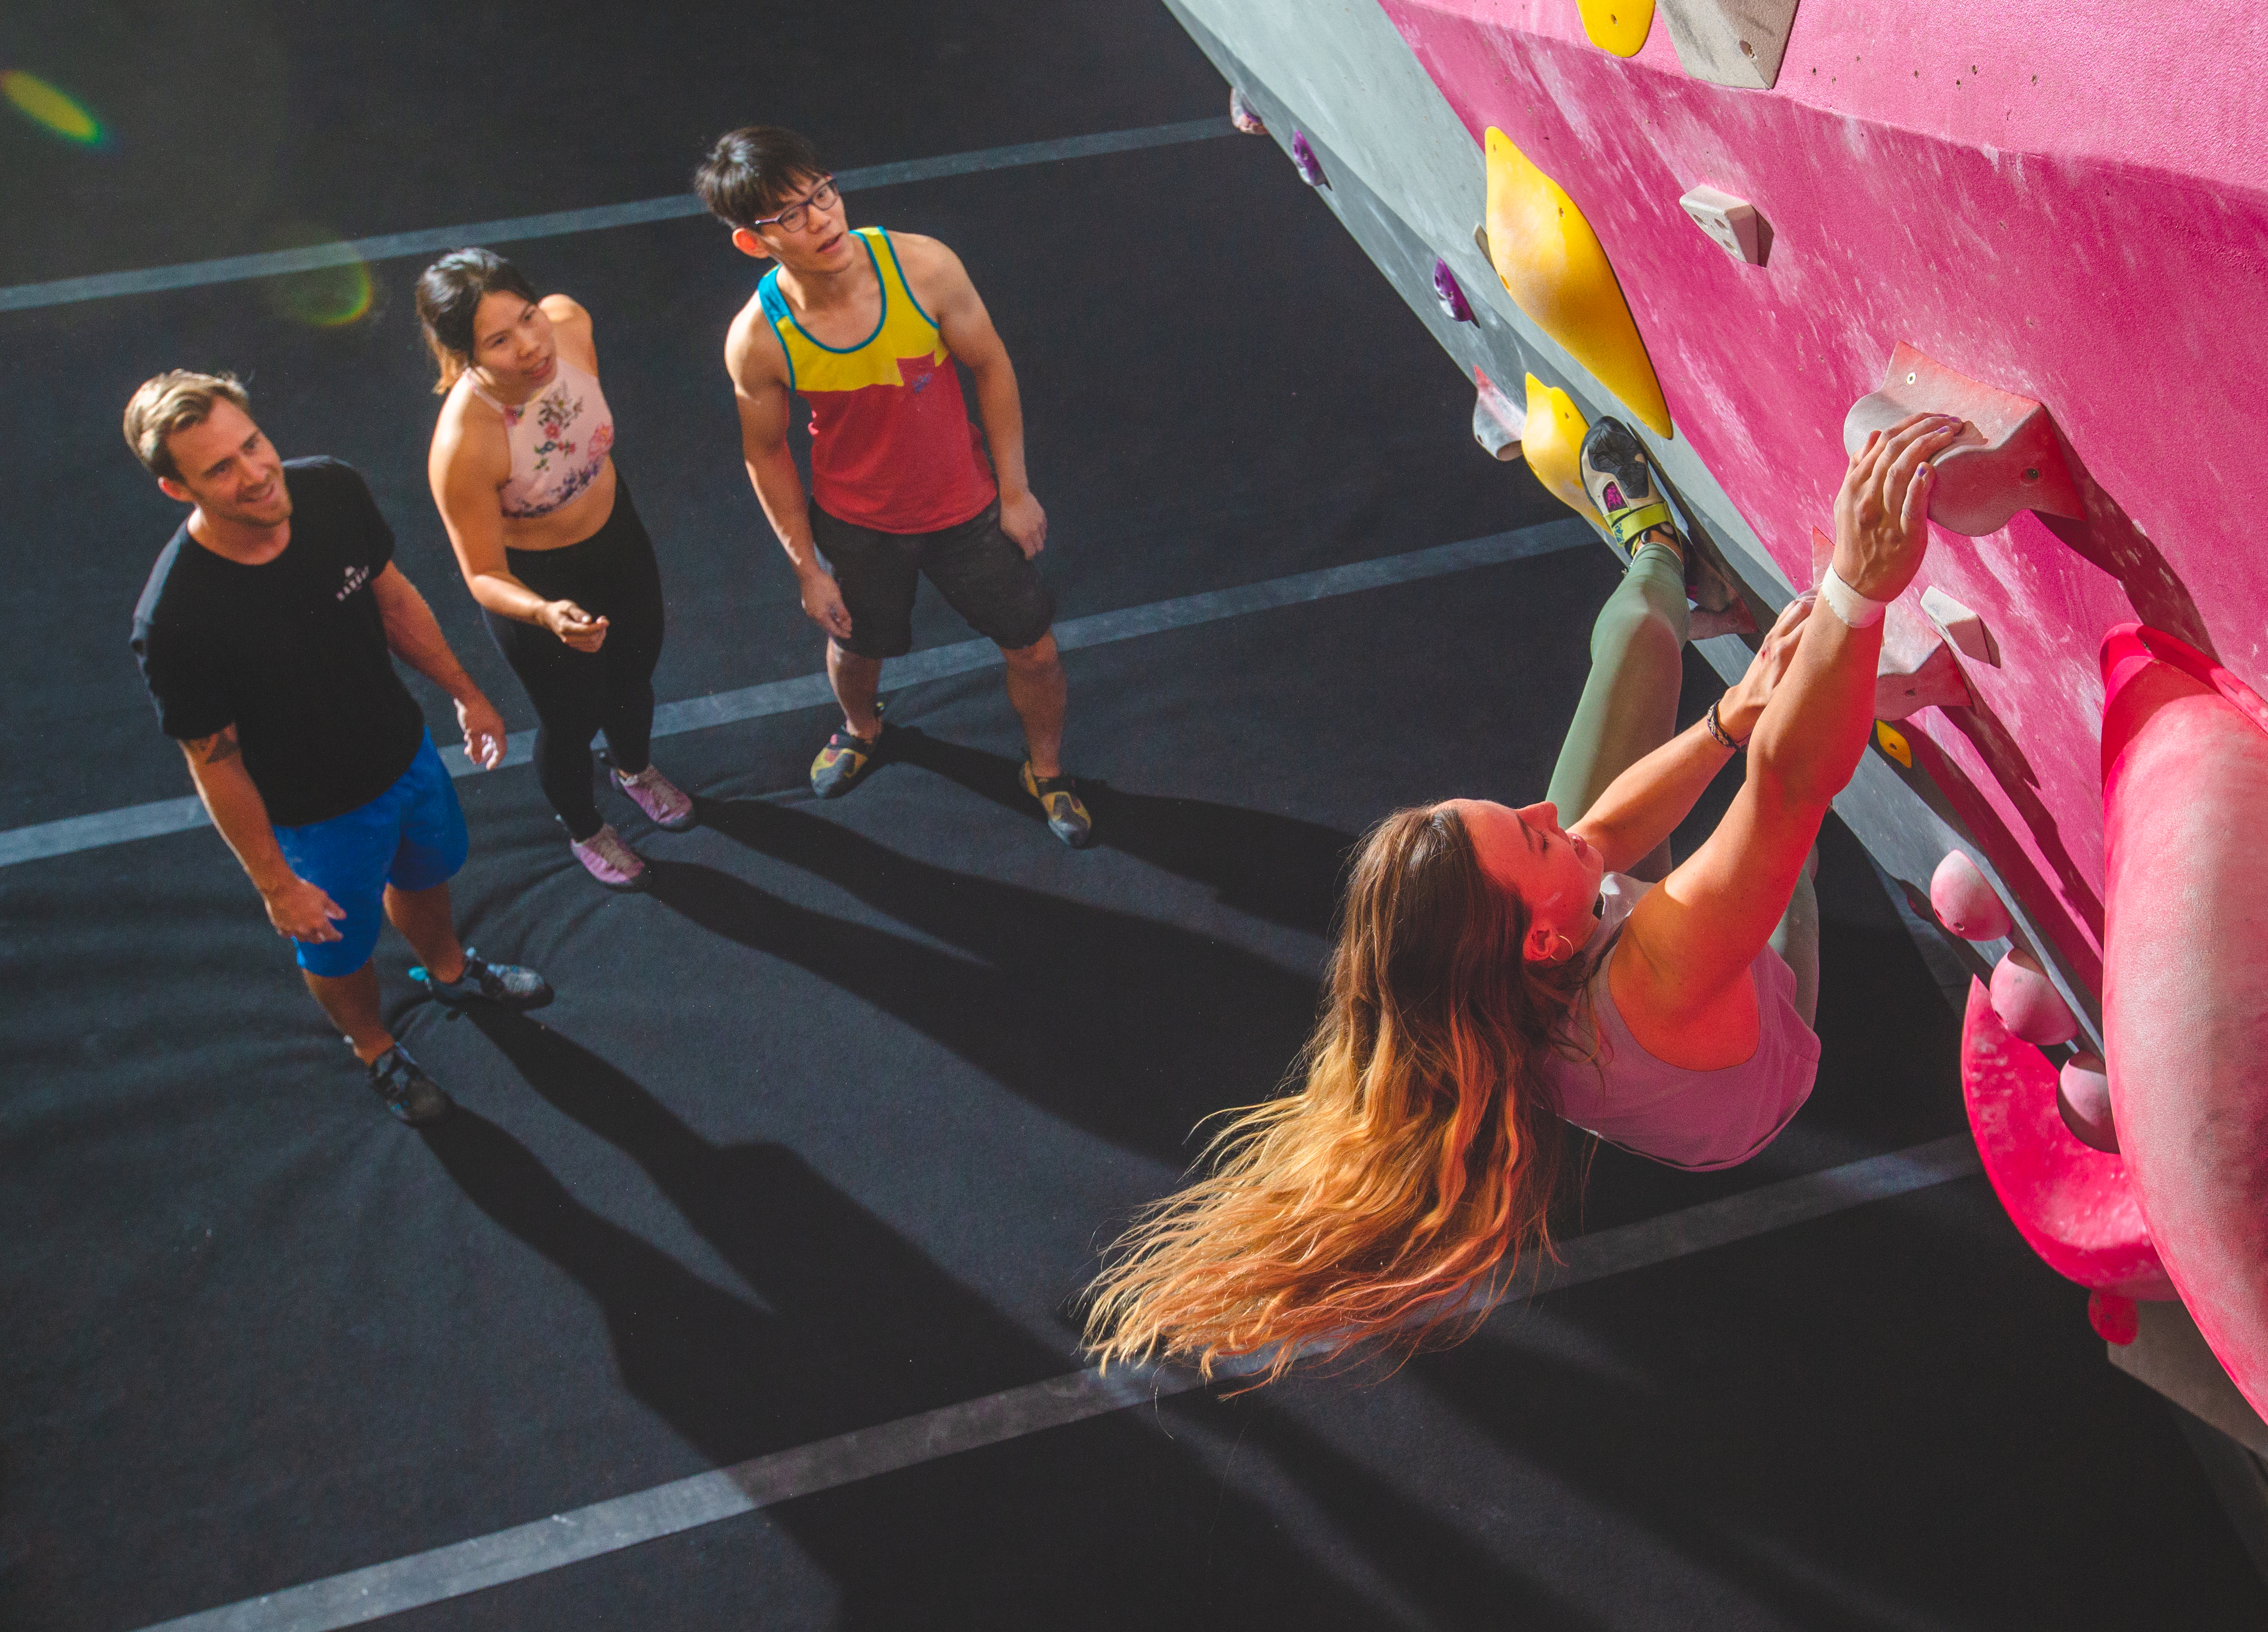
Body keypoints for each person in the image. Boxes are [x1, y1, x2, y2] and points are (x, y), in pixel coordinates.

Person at [1087, 411, 1966, 1382]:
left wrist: (1732, 708)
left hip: (1611, 973)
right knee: (1782, 824)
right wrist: (1856, 587)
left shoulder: (1499, 968)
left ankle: (1664, 566)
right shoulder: (1658, 972)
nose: (1547, 805)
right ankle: (1806, 678)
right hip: (1751, 1049)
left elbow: (1603, 837)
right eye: (1529, 834)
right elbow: (1786, 784)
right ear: (1546, 941)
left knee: (1642, 640)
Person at [125, 371, 554, 1126]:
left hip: (405, 756)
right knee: (337, 950)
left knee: (426, 876)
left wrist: (466, 691)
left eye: (252, 445)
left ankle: (450, 970)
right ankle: (374, 1047)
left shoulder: (329, 489)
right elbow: (213, 760)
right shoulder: (177, 619)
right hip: (312, 818)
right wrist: (274, 884)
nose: (254, 474)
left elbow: (392, 598)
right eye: (219, 469)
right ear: (177, 489)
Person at [695, 124, 1092, 846]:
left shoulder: (924, 267)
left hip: (966, 512)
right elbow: (765, 454)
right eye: (791, 214)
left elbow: (992, 365)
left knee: (1033, 649)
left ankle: (1048, 771)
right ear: (754, 242)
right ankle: (860, 727)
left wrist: (1014, 491)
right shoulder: (758, 338)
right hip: (859, 526)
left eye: (822, 193)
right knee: (855, 650)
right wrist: (806, 569)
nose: (822, 218)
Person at [419, 248, 695, 890]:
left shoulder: (569, 326)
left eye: (528, 317)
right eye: (499, 339)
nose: (530, 346)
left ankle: (633, 770)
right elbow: (481, 572)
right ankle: (584, 827)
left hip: (617, 539)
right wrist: (545, 613)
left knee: (634, 677)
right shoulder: (465, 444)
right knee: (571, 718)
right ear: (465, 355)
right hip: (539, 585)